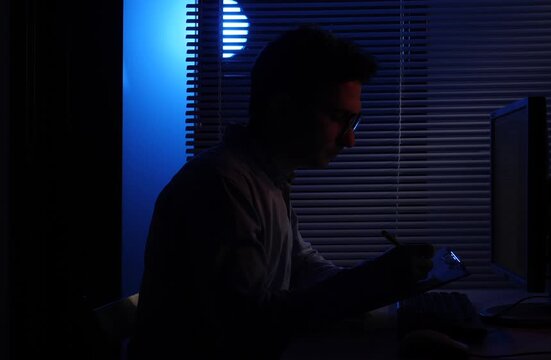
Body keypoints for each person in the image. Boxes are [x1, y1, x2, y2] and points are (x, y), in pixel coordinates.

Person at [128, 26, 434, 360]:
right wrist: (370, 282)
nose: (350, 140)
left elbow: (300, 265)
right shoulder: (221, 185)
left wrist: (379, 279)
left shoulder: (267, 179)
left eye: (354, 122)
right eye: (338, 118)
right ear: (281, 108)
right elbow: (249, 322)